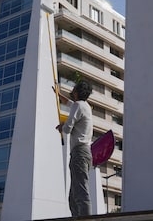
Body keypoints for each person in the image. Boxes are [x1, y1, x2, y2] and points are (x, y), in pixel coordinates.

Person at [56, 80, 93, 217]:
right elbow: (70, 104)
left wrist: (62, 125)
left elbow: (67, 129)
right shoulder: (85, 106)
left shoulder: (78, 105)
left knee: (80, 193)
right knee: (73, 197)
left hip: (79, 152)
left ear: (77, 92)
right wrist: (59, 95)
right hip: (85, 152)